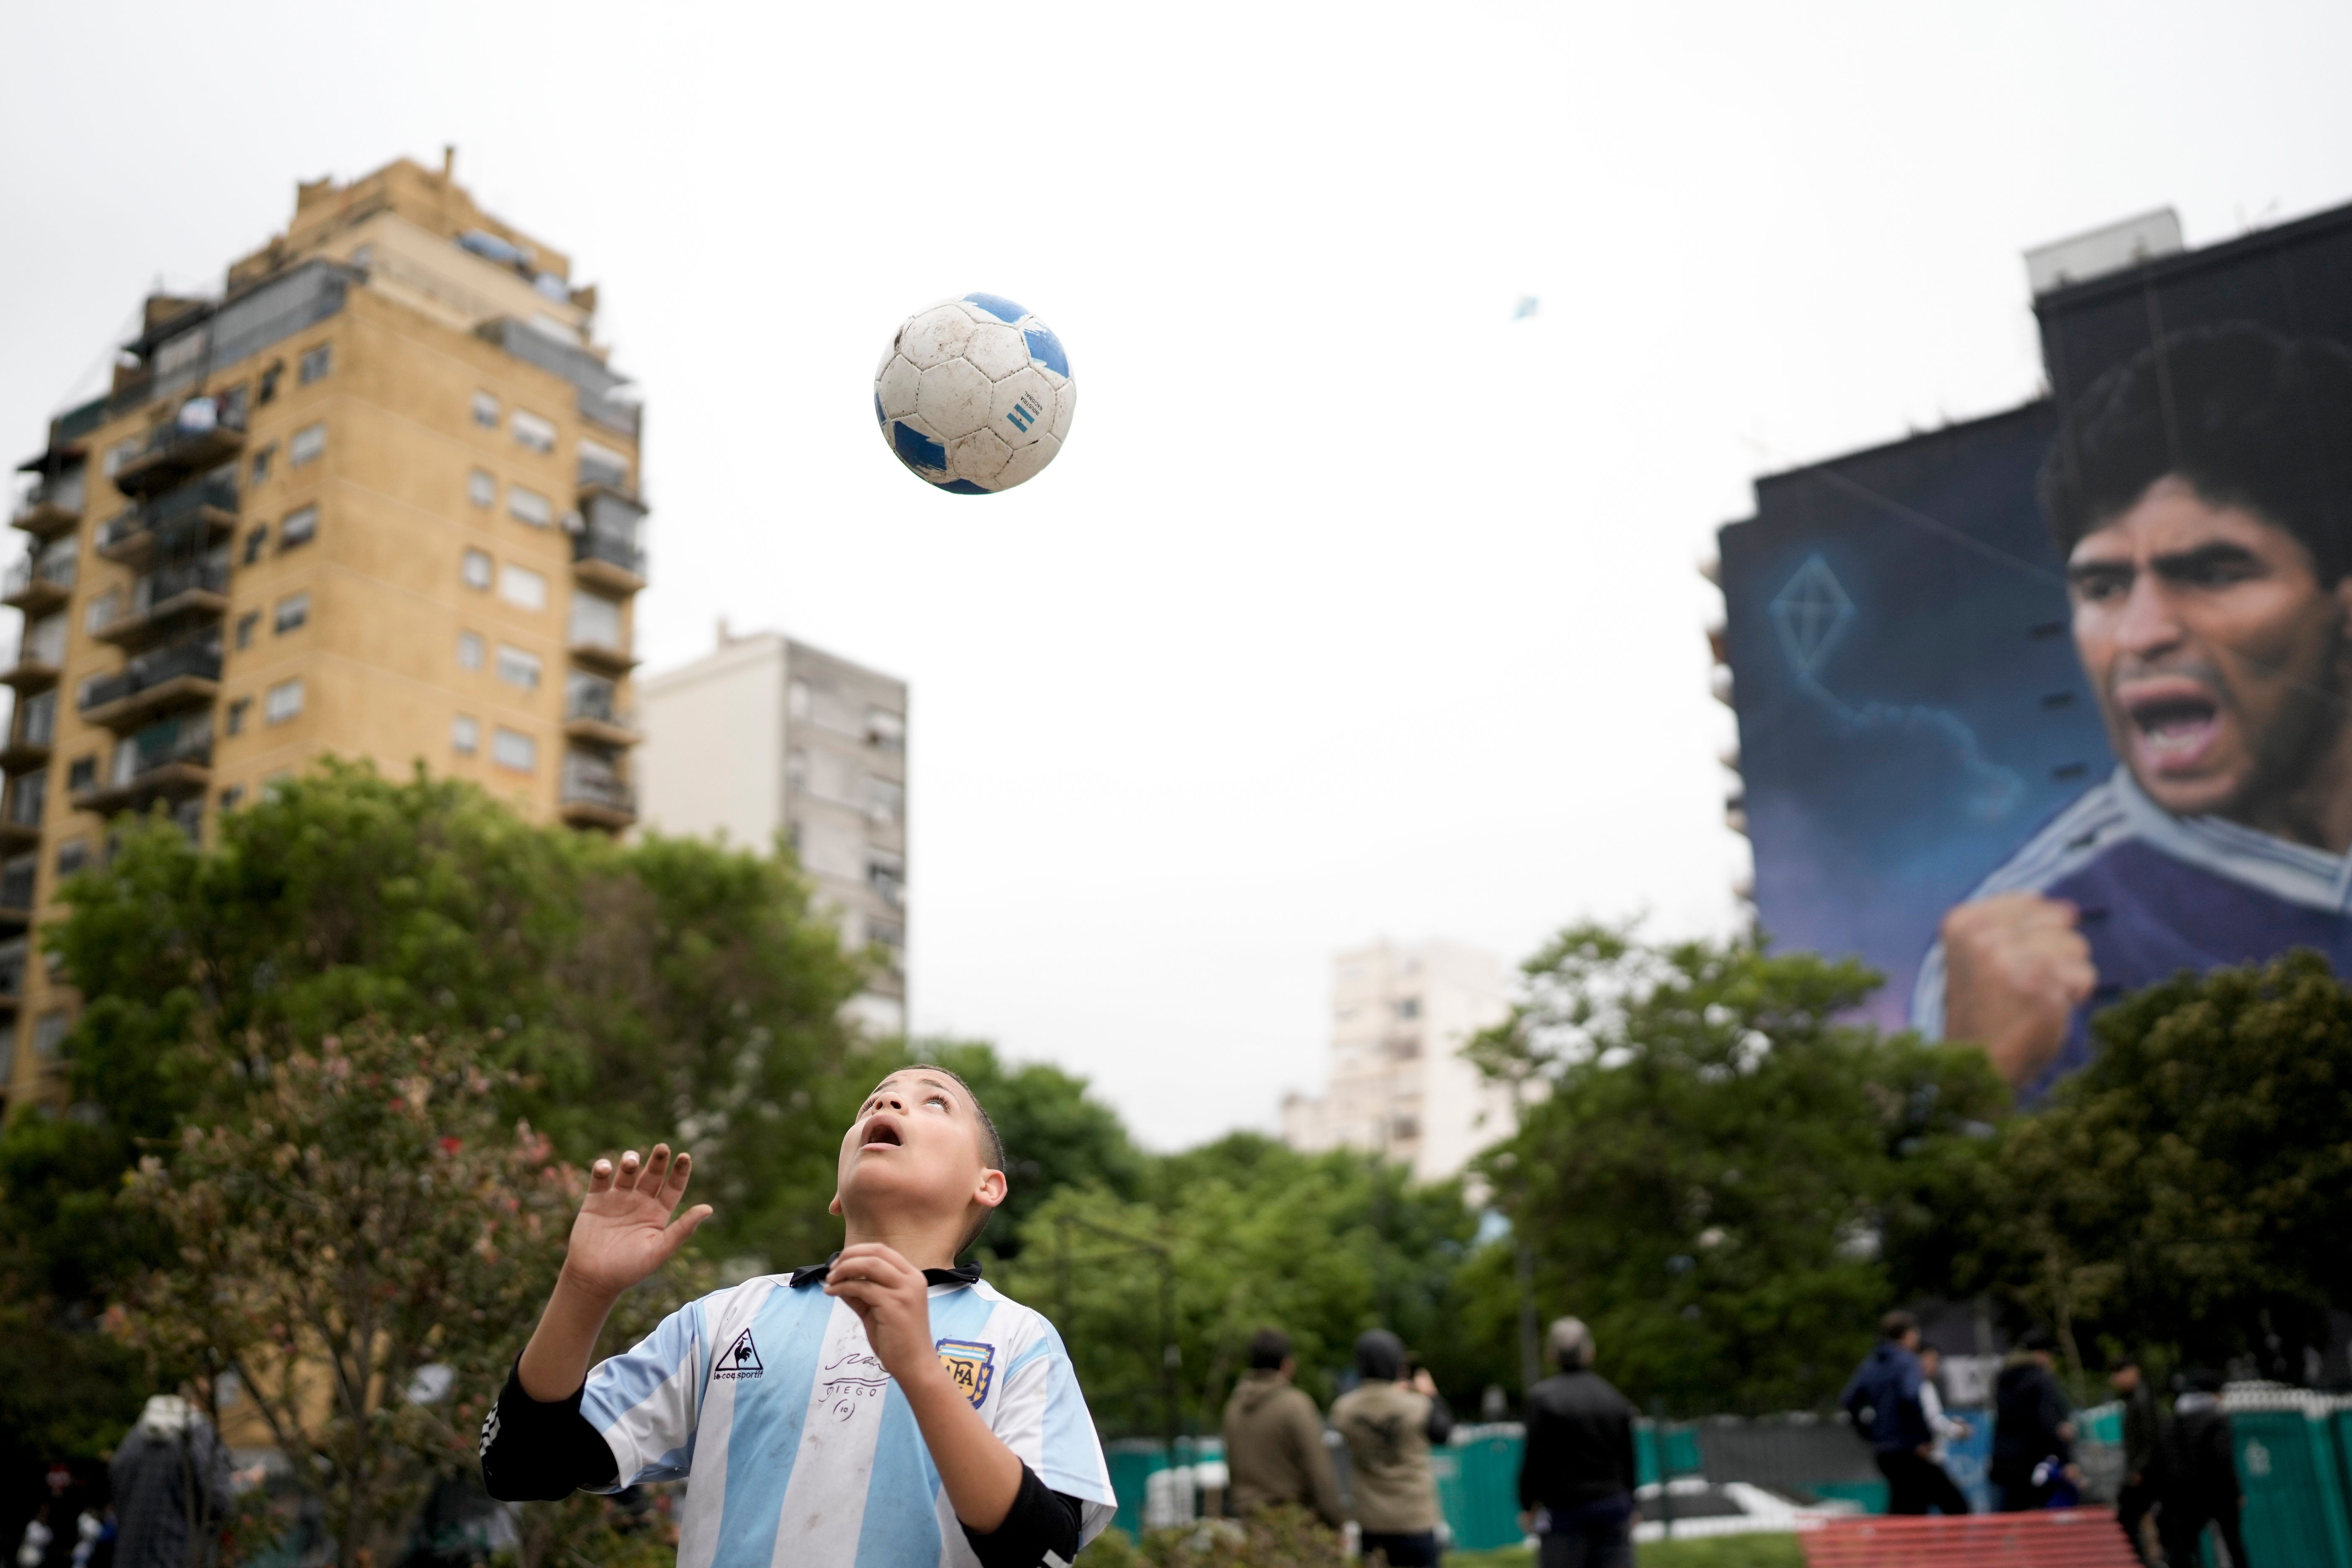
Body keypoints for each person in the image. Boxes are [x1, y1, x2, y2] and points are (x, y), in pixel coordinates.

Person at [1913, 324, 2352, 1099]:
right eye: (2104, 587)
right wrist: (1971, 1097)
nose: (2142, 634)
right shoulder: (2017, 958)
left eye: (2213, 573)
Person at [478, 1065, 1117, 1567]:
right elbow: (520, 1465)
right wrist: (584, 1288)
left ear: (988, 1185)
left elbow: (1043, 1551)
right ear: (837, 1193)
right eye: (874, 1100)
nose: (888, 1103)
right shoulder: (728, 1320)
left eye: (935, 1102)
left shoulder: (1019, 1339)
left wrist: (922, 1373)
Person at [1516, 1317, 1638, 1568]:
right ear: (1590, 1352)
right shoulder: (1613, 1397)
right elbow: (1628, 1458)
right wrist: (1632, 1502)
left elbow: (1535, 1458)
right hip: (1613, 1508)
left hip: (1564, 1514)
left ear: (1552, 1355)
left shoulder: (1542, 1399)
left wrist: (1528, 1504)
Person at [1330, 1330, 1454, 1568]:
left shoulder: (1344, 1409)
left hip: (1372, 1520)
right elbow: (1443, 1433)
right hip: (1415, 1518)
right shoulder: (1418, 1405)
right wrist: (1431, 1394)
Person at [1221, 1328, 1344, 1528]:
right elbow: (1319, 1472)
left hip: (1250, 1523)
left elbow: (1233, 1469)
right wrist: (1336, 1520)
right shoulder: (1295, 1405)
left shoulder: (1234, 1407)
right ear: (1286, 1364)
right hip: (1294, 1523)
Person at [108, 1396, 232, 1568]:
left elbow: (116, 1485)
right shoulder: (198, 1435)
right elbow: (219, 1501)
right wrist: (245, 1485)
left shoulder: (135, 1438)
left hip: (130, 1557)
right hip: (179, 1556)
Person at [1838, 1311, 1942, 1515]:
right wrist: (1923, 1438)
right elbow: (1911, 1396)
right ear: (1908, 1335)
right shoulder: (1907, 1361)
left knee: (1906, 1502)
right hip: (1909, 1447)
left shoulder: (1871, 1363)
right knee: (1949, 1502)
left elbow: (1849, 1400)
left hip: (1884, 1449)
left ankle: (1888, 1535)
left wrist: (1869, 1431)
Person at [2155, 1372, 2251, 1568]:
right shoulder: (2216, 1421)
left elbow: (2166, 1459)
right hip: (2218, 1494)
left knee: (2183, 1547)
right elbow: (2222, 1460)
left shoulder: (2176, 1422)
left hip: (2186, 1495)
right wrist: (2235, 1492)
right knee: (2233, 1544)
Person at [1988, 1331, 2077, 1511]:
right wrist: (2067, 1459)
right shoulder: (2041, 1380)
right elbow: (2049, 1424)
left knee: (2005, 1520)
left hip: (2002, 1463)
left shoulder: (2004, 1377)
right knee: (2039, 1521)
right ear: (2041, 1354)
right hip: (2032, 1466)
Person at [2111, 1358, 2162, 1564]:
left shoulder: (2142, 1399)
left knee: (2129, 1515)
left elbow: (2151, 1438)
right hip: (2142, 1471)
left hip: (2146, 1473)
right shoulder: (2134, 1398)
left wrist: (2139, 1470)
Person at [1914, 1344, 1973, 1515]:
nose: (1935, 1365)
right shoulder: (1922, 1385)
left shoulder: (1911, 1385)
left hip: (1918, 1459)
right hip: (1926, 1460)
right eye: (1931, 1359)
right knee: (1958, 1508)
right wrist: (1958, 1430)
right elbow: (1934, 1421)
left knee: (1913, 1510)